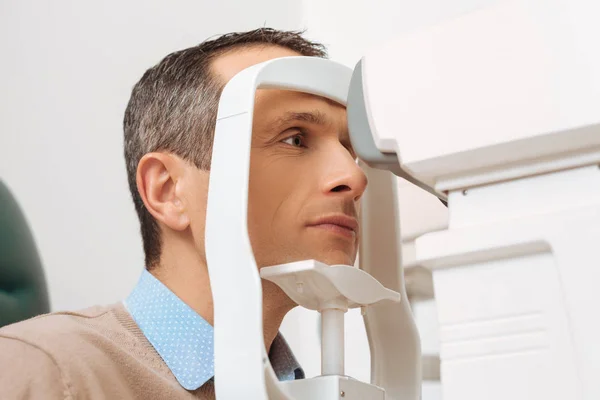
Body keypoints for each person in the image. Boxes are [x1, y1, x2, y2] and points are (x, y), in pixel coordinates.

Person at [0, 27, 367, 399]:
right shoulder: (43, 370)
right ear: (169, 191)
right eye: (295, 138)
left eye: (348, 148)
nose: (352, 176)